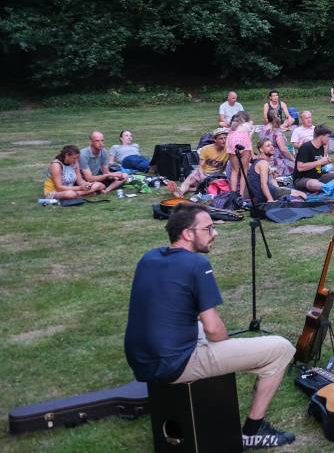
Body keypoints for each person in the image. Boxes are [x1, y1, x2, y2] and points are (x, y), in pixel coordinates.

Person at [124, 204, 296, 448]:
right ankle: (252, 430)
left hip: (140, 359)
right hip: (175, 364)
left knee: (198, 328)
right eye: (208, 228)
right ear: (187, 233)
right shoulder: (197, 264)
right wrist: (224, 348)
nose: (215, 233)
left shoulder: (149, 258)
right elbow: (214, 330)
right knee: (281, 348)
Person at [293, 125, 334, 193]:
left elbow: (319, 165)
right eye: (328, 136)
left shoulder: (321, 147)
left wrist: (325, 162)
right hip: (303, 178)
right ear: (321, 136)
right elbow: (300, 167)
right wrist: (319, 162)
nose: (328, 139)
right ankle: (332, 188)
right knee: (314, 184)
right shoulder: (306, 147)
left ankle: (330, 188)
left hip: (319, 176)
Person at [175, 128, 230, 197]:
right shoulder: (206, 149)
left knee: (212, 188)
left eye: (225, 138)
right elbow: (200, 166)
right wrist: (202, 175)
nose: (224, 141)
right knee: (191, 179)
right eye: (221, 139)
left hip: (217, 175)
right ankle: (180, 192)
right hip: (204, 172)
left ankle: (195, 188)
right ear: (215, 140)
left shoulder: (229, 149)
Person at [249, 139, 306, 203]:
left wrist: (274, 177)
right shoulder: (263, 163)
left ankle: (286, 199)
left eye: (272, 145)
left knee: (291, 191)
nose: (272, 147)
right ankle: (286, 199)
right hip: (266, 194)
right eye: (268, 146)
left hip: (266, 193)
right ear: (261, 150)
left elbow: (271, 183)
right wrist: (270, 199)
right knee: (303, 195)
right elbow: (263, 184)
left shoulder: (260, 161)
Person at [259, 111, 295, 177]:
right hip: (277, 160)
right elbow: (283, 149)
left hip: (264, 158)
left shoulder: (262, 129)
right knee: (296, 167)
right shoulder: (276, 133)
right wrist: (292, 159)